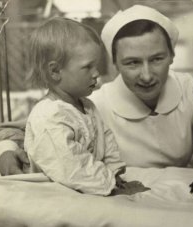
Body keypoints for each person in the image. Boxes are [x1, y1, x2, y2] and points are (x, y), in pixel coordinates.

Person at [0, 5, 193, 176]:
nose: (146, 75)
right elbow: (10, 131)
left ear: (172, 56)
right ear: (115, 64)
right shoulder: (92, 102)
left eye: (157, 59)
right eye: (132, 62)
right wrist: (5, 152)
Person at [21, 17, 148, 196]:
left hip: (93, 184)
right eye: (87, 67)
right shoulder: (49, 116)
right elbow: (71, 166)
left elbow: (106, 140)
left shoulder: (87, 106)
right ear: (55, 71)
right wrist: (110, 185)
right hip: (57, 193)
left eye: (96, 65)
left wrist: (115, 173)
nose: (96, 73)